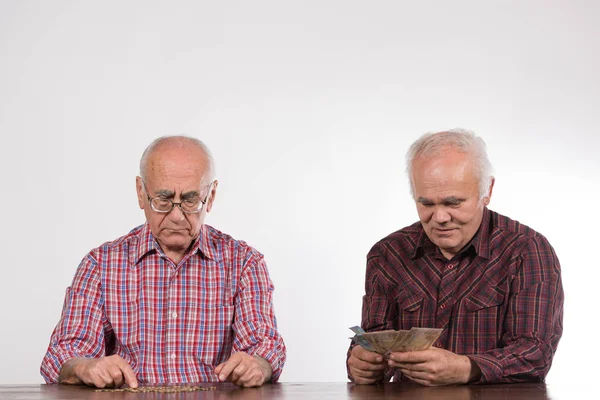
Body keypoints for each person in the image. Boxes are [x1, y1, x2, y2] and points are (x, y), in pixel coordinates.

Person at [41, 136, 286, 388]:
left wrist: (258, 364)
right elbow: (63, 354)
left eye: (191, 200)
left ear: (210, 196)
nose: (177, 216)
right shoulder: (101, 265)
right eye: (163, 200)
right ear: (140, 193)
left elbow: (265, 346)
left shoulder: (244, 263)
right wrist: (84, 367)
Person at [347, 129, 563, 386]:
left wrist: (466, 369)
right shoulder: (387, 254)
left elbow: (535, 353)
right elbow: (373, 341)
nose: (439, 217)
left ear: (488, 191)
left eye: (453, 203)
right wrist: (360, 363)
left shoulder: (526, 250)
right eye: (426, 204)